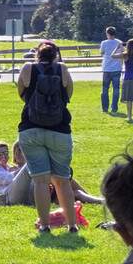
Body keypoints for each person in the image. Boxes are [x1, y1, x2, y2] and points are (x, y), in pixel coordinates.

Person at [15, 41, 80, 236]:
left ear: (37, 54)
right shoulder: (63, 69)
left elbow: (21, 92)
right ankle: (72, 225)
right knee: (63, 180)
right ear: (55, 56)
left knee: (41, 181)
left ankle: (44, 226)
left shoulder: (28, 68)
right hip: (59, 130)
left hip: (31, 129)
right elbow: (68, 94)